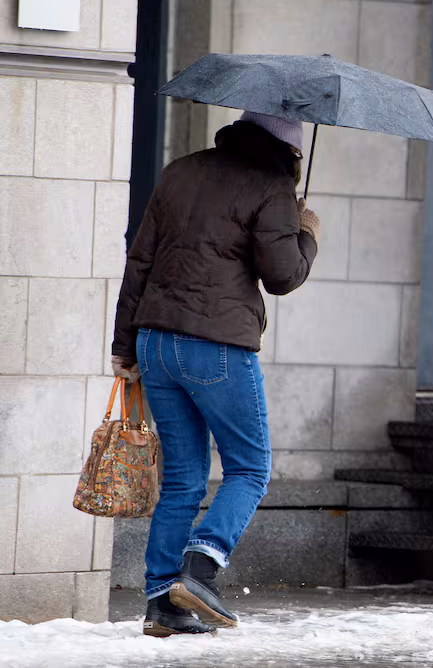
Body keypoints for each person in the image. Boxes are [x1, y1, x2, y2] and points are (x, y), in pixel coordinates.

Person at [110, 111, 320, 637]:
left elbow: (139, 261)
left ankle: (162, 604)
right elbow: (282, 276)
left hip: (155, 340)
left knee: (183, 476)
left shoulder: (181, 170)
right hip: (217, 346)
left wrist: (124, 347)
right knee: (250, 468)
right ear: (289, 149)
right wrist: (306, 234)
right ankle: (201, 570)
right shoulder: (272, 185)